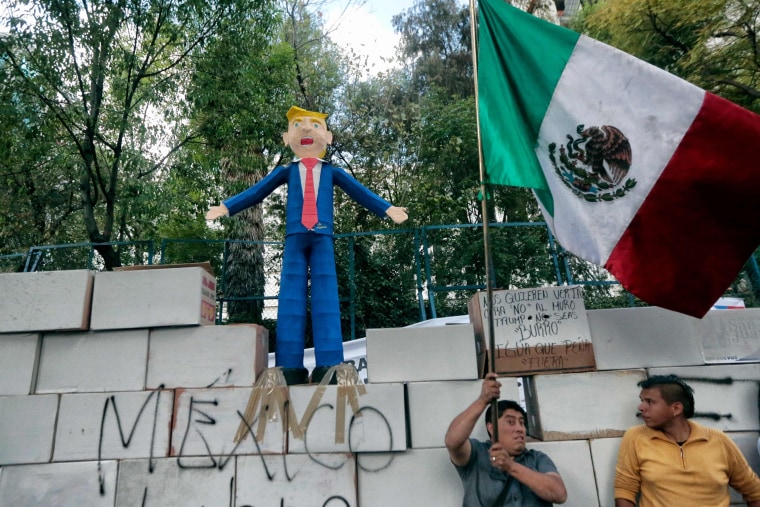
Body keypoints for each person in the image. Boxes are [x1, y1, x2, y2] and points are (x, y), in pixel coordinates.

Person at [206, 106, 408, 385]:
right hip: (295, 238)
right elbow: (257, 191)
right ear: (286, 137)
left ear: (329, 137)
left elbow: (360, 192)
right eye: (298, 125)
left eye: (314, 125)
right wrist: (226, 207)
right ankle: (289, 366)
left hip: (323, 237)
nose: (306, 130)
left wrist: (387, 209)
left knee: (327, 301)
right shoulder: (286, 171)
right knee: (290, 301)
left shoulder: (331, 172)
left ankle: (329, 364)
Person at [614, 374, 760, 507]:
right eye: (642, 400)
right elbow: (624, 491)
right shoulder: (636, 437)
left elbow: (754, 491)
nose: (641, 407)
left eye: (650, 402)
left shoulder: (718, 441)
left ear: (676, 408)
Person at [445, 372, 567, 506]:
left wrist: (511, 466)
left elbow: (559, 494)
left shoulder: (536, 459)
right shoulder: (477, 454)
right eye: (511, 422)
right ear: (491, 428)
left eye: (521, 423)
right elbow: (452, 441)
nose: (520, 429)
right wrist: (483, 400)